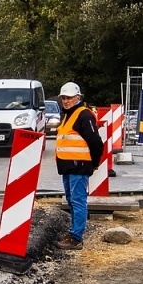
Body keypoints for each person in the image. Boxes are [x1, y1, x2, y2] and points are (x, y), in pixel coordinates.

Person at [53, 82, 103, 249]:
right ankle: (74, 232)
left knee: (78, 201)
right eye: (63, 98)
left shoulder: (83, 115)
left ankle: (76, 237)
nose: (65, 101)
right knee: (72, 200)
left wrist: (94, 163)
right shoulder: (69, 115)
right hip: (68, 166)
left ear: (78, 98)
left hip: (79, 166)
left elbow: (96, 142)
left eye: (69, 98)